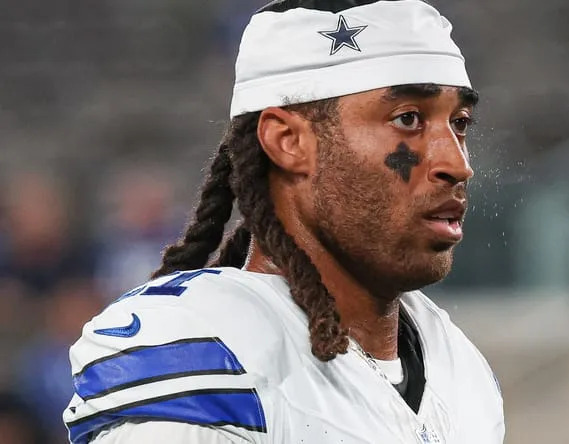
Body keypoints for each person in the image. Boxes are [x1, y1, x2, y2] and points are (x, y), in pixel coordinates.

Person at [63, 0, 505, 443]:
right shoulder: (213, 353)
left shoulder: (459, 367)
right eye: (408, 119)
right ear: (288, 141)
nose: (457, 163)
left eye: (459, 123)